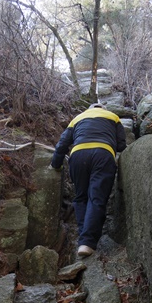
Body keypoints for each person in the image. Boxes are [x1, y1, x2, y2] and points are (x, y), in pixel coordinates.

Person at [51, 103, 127, 257]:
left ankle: (83, 238)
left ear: (89, 109)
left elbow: (62, 144)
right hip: (102, 154)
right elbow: (121, 145)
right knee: (96, 197)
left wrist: (56, 164)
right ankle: (87, 242)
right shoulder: (113, 117)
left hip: (78, 155)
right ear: (103, 109)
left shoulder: (77, 118)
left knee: (80, 197)